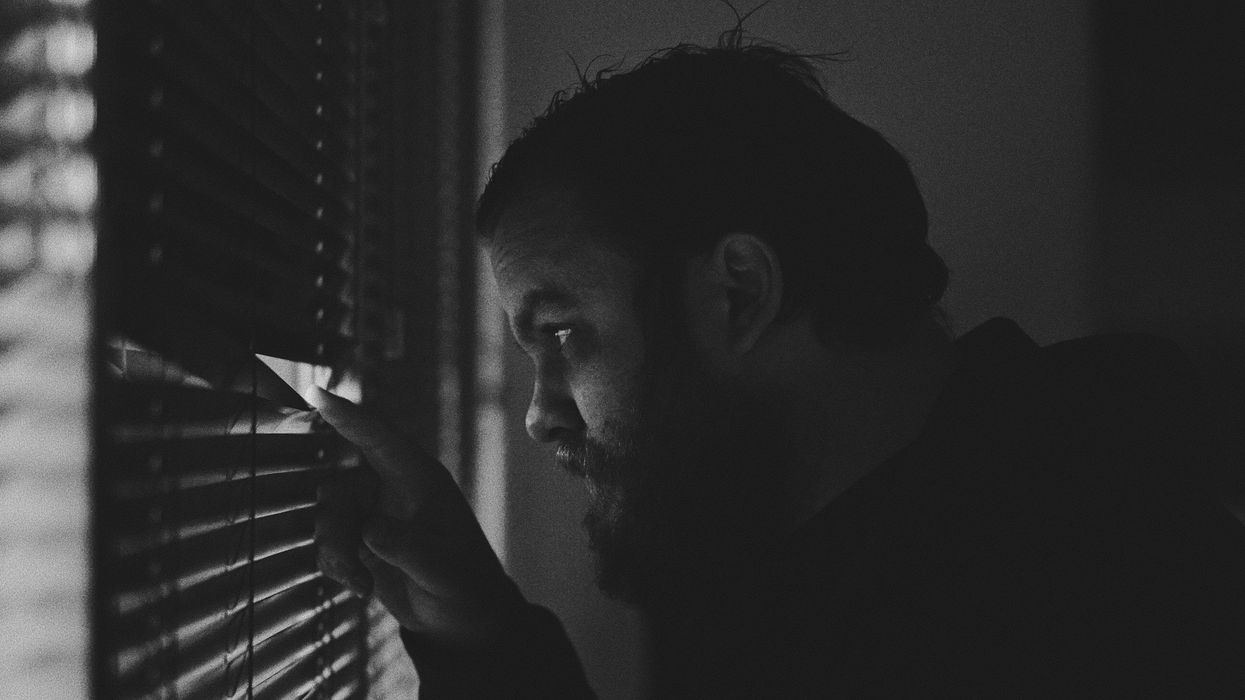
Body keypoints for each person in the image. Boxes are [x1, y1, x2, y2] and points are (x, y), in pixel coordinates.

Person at [311, 40, 1245, 697]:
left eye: (560, 335)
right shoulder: (844, 554)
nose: (539, 417)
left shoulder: (1074, 613)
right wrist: (476, 630)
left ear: (739, 292)